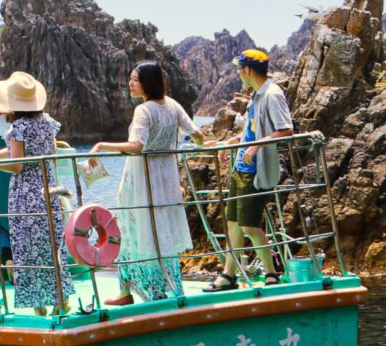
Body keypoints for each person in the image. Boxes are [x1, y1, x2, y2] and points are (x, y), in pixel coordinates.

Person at [88, 62, 200, 304]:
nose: (130, 84)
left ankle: (130, 291)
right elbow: (197, 134)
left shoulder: (144, 110)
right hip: (167, 179)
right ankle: (166, 287)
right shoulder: (172, 105)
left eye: (135, 80)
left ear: (147, 83)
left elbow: (137, 146)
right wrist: (212, 148)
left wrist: (102, 145)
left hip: (141, 179)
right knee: (160, 231)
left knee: (132, 229)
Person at [0, 72, 63, 314]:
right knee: (51, 244)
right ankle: (60, 299)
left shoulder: (18, 127)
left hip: (25, 194)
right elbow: (46, 152)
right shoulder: (47, 122)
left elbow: (17, 164)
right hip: (47, 188)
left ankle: (38, 304)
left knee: (27, 246)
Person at [209, 48, 293, 290]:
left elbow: (286, 130)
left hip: (256, 170)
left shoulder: (272, 94)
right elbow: (251, 131)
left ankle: (271, 273)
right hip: (241, 167)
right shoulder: (256, 96)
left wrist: (255, 148)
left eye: (239, 69)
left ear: (247, 70)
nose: (238, 74)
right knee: (234, 222)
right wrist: (230, 143)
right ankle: (228, 274)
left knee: (249, 226)